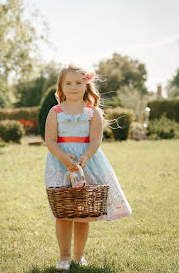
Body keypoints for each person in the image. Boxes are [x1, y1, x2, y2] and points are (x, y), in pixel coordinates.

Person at [44, 64, 132, 271]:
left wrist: (85, 156)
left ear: (86, 85)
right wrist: (64, 158)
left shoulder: (92, 112)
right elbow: (50, 139)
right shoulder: (55, 111)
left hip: (88, 164)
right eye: (68, 83)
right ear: (61, 87)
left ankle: (78, 256)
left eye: (78, 82)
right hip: (60, 163)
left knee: (82, 212)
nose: (73, 87)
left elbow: (95, 140)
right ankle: (64, 257)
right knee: (63, 212)